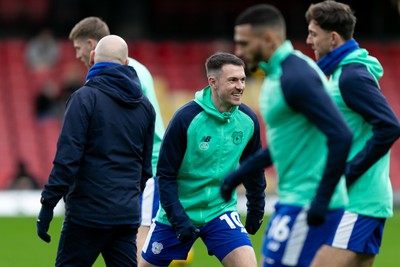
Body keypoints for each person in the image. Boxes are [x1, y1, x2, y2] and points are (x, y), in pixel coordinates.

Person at [220, 4, 354, 267]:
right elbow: (286, 143)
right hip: (294, 199)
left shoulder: (297, 76)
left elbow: (341, 135)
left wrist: (321, 200)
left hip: (307, 202)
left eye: (244, 43)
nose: (238, 51)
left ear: (268, 39)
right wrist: (238, 175)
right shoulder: (278, 74)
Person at [36, 35, 156, 267]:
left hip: (87, 215)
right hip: (126, 215)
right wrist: (127, 198)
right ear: (126, 64)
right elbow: (145, 167)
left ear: (92, 58)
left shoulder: (83, 99)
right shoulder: (145, 107)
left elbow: (67, 159)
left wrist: (47, 204)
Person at [139, 52, 266, 267]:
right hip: (177, 213)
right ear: (213, 82)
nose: (241, 86)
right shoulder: (186, 118)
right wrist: (178, 218)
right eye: (233, 80)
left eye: (243, 79)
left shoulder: (248, 120)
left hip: (220, 211)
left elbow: (253, 168)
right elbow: (166, 174)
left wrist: (257, 207)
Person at [304, 1, 400, 266]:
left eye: (313, 33)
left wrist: (347, 173)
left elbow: (390, 126)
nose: (308, 40)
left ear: (333, 38)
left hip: (357, 202)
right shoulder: (342, 73)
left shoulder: (351, 75)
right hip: (361, 200)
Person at [68, 16, 165, 260]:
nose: (78, 56)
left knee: (136, 245)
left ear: (91, 45)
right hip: (138, 171)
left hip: (147, 171)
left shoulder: (126, 75)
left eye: (78, 49)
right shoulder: (131, 71)